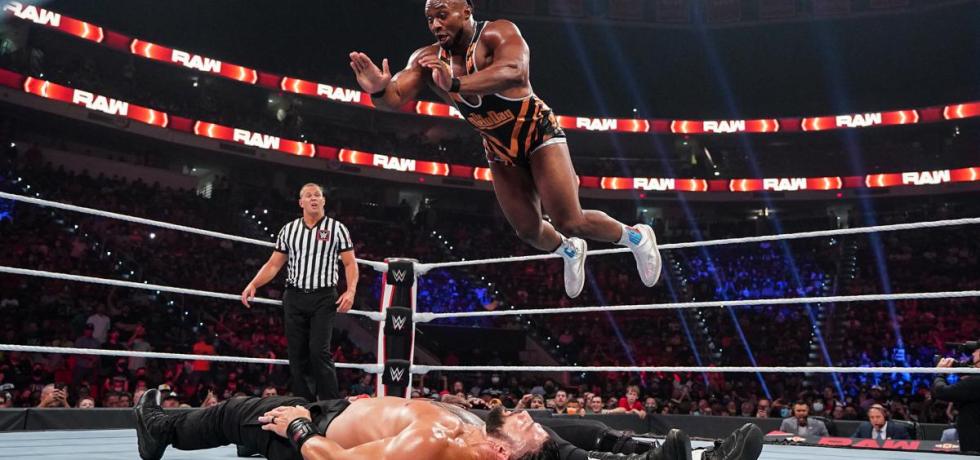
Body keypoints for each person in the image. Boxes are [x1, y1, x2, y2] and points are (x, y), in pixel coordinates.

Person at [348, 0, 662, 299]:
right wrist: (378, 89)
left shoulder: (498, 32)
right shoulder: (427, 58)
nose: (436, 25)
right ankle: (569, 249)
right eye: (430, 19)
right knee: (528, 230)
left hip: (538, 133)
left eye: (442, 15)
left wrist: (455, 84)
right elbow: (395, 96)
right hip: (498, 147)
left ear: (466, 10)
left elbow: (515, 71)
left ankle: (635, 236)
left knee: (569, 221)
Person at [134, 389, 762, 460]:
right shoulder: (461, 434)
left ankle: (159, 428)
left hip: (312, 430)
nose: (524, 416)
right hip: (334, 413)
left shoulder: (436, 439)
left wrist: (298, 427)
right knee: (549, 433)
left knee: (240, 412)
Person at [241, 183, 358, 401]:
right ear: (301, 202)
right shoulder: (289, 230)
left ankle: (331, 403)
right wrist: (254, 284)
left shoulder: (337, 229)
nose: (313, 198)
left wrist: (350, 291)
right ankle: (304, 403)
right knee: (296, 354)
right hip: (294, 296)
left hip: (323, 296)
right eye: (308, 195)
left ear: (323, 201)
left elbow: (350, 263)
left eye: (317, 195)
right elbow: (274, 264)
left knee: (319, 351)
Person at [935, 345, 980, 453]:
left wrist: (940, 373)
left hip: (974, 446)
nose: (973, 354)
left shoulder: (975, 382)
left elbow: (941, 392)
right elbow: (970, 370)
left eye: (976, 351)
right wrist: (955, 365)